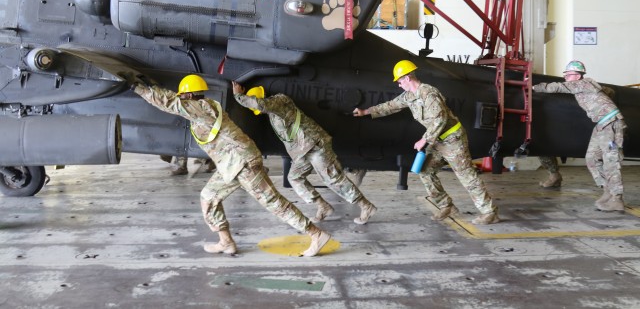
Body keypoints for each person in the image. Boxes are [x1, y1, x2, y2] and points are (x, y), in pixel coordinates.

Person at [125, 73, 332, 256]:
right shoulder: (206, 107)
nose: (181, 99)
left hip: (242, 163)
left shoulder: (200, 108)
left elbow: (168, 102)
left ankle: (316, 234)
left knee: (274, 203)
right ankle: (226, 242)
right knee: (209, 197)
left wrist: (140, 88)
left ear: (188, 96)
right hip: (232, 166)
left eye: (183, 96)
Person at [352, 60, 500, 225]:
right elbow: (391, 106)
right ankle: (446, 205)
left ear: (407, 78)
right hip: (438, 140)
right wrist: (366, 111)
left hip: (453, 139)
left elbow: (440, 118)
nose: (399, 85)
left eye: (400, 81)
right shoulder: (409, 96)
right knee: (425, 169)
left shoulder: (428, 93)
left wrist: (424, 139)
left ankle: (489, 212)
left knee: (467, 176)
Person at [232, 82, 377, 225]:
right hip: (302, 152)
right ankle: (323, 206)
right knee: (294, 178)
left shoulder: (280, 100)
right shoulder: (272, 115)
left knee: (332, 178)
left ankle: (366, 206)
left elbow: (261, 105)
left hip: (314, 144)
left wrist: (238, 95)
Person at [533, 60, 626, 211]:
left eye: (568, 75)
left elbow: (557, 87)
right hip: (601, 124)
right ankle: (607, 191)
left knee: (610, 160)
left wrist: (534, 87)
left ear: (577, 75)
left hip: (611, 123)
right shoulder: (585, 87)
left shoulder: (582, 83)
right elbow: (609, 91)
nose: (566, 78)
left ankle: (617, 198)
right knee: (592, 158)